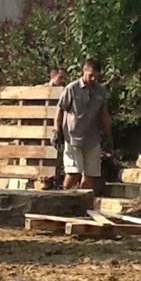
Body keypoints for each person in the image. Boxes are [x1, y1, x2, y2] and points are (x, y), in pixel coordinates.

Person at [54, 58, 112, 190]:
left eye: (96, 76)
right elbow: (60, 110)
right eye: (90, 75)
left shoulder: (100, 91)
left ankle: (82, 205)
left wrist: (109, 135)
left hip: (92, 139)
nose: (93, 79)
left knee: (90, 176)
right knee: (74, 173)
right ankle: (63, 200)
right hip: (73, 137)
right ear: (84, 71)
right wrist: (57, 131)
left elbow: (104, 114)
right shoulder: (72, 88)